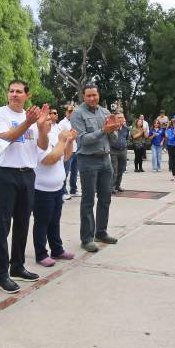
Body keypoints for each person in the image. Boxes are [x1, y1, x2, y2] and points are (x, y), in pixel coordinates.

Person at [0, 80, 49, 290]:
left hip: (28, 174)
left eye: (19, 91)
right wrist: (28, 123)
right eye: (11, 91)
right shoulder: (0, 114)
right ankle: (1, 274)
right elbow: (5, 139)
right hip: (5, 174)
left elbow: (42, 145)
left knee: (23, 223)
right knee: (2, 226)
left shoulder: (30, 116)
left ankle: (17, 266)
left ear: (27, 95)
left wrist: (41, 127)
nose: (14, 94)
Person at [72, 84, 120, 252]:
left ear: (99, 95)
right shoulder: (78, 113)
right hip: (88, 160)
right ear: (83, 96)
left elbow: (114, 139)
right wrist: (103, 130)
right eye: (88, 96)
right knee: (88, 200)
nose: (92, 98)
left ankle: (101, 232)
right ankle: (86, 239)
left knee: (105, 198)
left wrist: (113, 130)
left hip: (105, 160)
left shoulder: (105, 112)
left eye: (94, 95)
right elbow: (83, 139)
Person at [33, 118, 77, 267]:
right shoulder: (38, 138)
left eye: (50, 119)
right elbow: (49, 160)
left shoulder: (54, 135)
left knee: (54, 221)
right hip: (42, 189)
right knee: (42, 222)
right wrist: (62, 141)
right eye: (46, 119)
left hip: (57, 188)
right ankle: (41, 254)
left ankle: (57, 249)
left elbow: (66, 157)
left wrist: (70, 141)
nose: (50, 121)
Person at [108, 114, 130, 193]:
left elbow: (127, 138)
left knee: (121, 169)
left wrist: (125, 145)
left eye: (122, 117)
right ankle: (112, 187)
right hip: (113, 151)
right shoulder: (112, 128)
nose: (121, 119)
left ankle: (118, 185)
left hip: (123, 151)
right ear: (115, 119)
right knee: (114, 169)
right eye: (119, 117)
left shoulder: (126, 129)